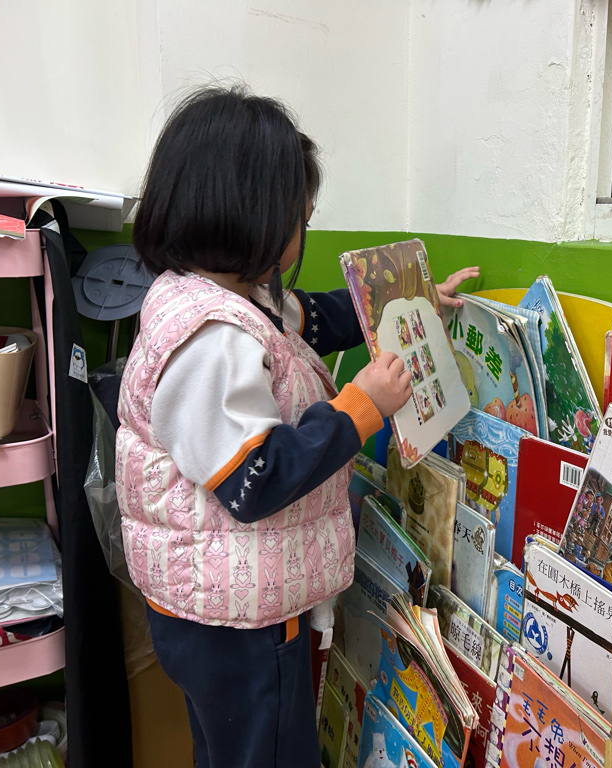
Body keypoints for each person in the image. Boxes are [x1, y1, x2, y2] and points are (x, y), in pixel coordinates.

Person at [115, 85, 478, 768]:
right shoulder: (210, 339)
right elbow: (254, 479)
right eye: (299, 218)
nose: (302, 230)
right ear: (252, 218)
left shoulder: (227, 294)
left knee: (235, 752)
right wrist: (359, 409)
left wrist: (415, 304)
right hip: (236, 625)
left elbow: (318, 317)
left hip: (218, 608)